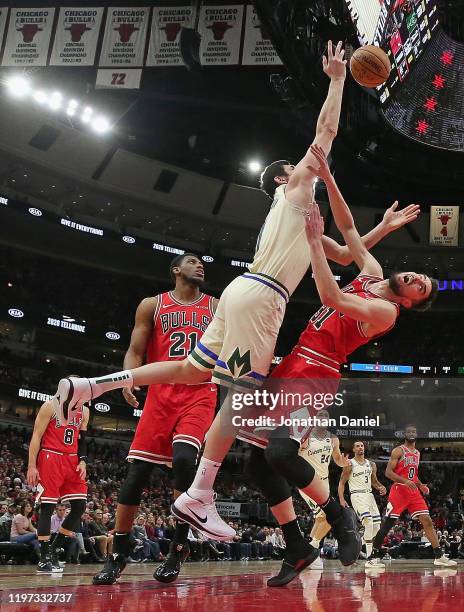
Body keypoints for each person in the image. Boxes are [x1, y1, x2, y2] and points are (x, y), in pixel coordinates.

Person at [53, 42, 417, 556]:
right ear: (284, 178)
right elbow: (326, 133)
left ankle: (90, 386)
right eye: (298, 166)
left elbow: (344, 253)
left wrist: (378, 229)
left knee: (188, 371)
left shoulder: (290, 213)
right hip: (263, 301)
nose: (307, 165)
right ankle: (201, 493)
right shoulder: (296, 193)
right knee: (243, 400)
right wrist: (337, 80)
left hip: (243, 292)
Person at [237, 144, 437, 585]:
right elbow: (347, 228)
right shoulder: (373, 269)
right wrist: (328, 178)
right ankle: (297, 547)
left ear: (408, 302)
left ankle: (338, 513)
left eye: (420, 288)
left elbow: (331, 298)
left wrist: (312, 242)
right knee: (253, 462)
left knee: (280, 452)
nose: (417, 278)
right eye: (421, 276)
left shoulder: (386, 312)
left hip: (317, 373)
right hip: (293, 359)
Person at [93, 253, 218, 585]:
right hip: (160, 395)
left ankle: (179, 545)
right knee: (136, 474)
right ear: (176, 270)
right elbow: (136, 349)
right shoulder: (152, 305)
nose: (200, 266)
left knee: (183, 459)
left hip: (199, 392)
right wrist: (127, 379)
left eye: (201, 263)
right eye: (192, 261)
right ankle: (118, 551)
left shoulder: (216, 306)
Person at [367, 425, 457, 568]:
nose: (411, 433)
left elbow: (413, 475)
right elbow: (388, 473)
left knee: (427, 520)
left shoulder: (417, 453)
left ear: (417, 434)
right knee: (388, 524)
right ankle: (373, 556)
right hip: (399, 491)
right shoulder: (398, 451)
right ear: (404, 434)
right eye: (409, 431)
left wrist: (421, 485)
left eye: (414, 431)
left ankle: (439, 555)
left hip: (413, 491)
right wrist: (405, 481)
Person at [26, 395, 89, 574]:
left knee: (79, 506)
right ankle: (44, 557)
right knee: (48, 507)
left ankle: (54, 549)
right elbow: (36, 436)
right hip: (51, 456)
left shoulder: (84, 410)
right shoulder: (50, 406)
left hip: (73, 460)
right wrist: (32, 465)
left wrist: (83, 460)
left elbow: (82, 439)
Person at [298, 412, 351, 569]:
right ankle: (312, 552)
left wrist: (344, 462)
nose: (323, 420)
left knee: (321, 519)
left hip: (324, 483)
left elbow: (337, 460)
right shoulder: (305, 436)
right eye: (319, 417)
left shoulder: (333, 438)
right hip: (307, 481)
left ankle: (307, 552)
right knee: (331, 516)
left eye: (325, 417)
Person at [338, 441, 386, 566]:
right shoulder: (350, 464)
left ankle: (358, 543)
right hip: (357, 495)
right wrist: (342, 499)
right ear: (353, 449)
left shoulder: (371, 464)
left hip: (369, 495)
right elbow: (342, 482)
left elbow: (374, 482)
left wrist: (381, 487)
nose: (360, 448)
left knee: (376, 527)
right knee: (368, 522)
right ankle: (370, 558)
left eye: (362, 446)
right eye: (357, 446)